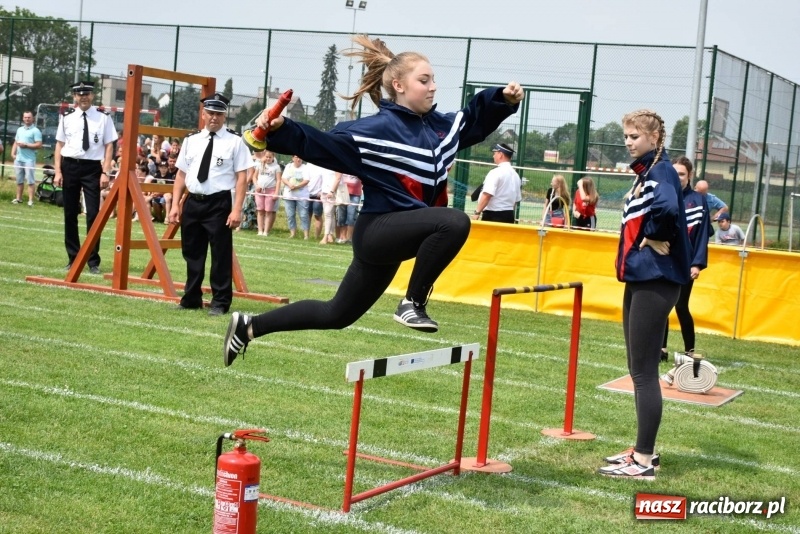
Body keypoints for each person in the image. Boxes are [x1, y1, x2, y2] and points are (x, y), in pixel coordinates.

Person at [223, 35, 522, 365]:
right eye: (424, 80)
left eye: (434, 79)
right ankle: (413, 303)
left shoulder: (442, 129)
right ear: (399, 85)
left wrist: (502, 100)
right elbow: (322, 143)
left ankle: (249, 326)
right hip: (377, 233)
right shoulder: (375, 129)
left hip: (400, 235)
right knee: (453, 221)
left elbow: (474, 119)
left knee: (336, 314)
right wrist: (280, 128)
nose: (433, 86)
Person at [598, 109, 690, 480]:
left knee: (643, 372)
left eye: (634, 136)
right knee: (639, 370)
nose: (628, 141)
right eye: (625, 136)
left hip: (656, 278)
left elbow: (668, 207)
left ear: (654, 138)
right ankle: (641, 449)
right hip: (641, 277)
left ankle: (644, 459)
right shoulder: (647, 172)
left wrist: (652, 235)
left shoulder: (661, 170)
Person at [167, 93, 253, 316]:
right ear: (203, 114)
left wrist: (237, 209)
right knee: (192, 252)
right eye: (210, 113)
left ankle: (220, 301)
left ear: (225, 116)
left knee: (220, 254)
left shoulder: (235, 142)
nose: (214, 117)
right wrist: (175, 204)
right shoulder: (191, 140)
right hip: (194, 201)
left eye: (218, 114)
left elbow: (242, 178)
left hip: (219, 203)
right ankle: (192, 296)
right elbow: (180, 175)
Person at [53, 81, 118, 274]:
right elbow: (59, 145)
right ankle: (73, 258)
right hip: (70, 166)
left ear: (92, 96)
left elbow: (109, 146)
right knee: (70, 213)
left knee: (93, 215)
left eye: (87, 93)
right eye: (79, 94)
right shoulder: (66, 118)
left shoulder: (103, 118)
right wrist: (58, 171)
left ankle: (92, 261)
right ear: (74, 96)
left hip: (92, 168)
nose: (83, 97)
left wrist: (105, 172)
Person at [661, 156, 711, 360]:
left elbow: (702, 235)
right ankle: (660, 349)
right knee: (662, 306)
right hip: (664, 260)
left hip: (685, 264)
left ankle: (690, 351)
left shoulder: (699, 201)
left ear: (689, 175)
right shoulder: (664, 195)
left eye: (681, 174)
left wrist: (697, 264)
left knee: (681, 305)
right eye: (674, 173)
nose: (678, 177)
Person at [472, 143, 521, 224]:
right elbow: (515, 201)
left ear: (500, 154)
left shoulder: (496, 172)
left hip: (493, 215)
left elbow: (487, 194)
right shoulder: (515, 175)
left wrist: (477, 213)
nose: (493, 156)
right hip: (509, 215)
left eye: (494, 153)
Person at [11, 110, 43, 207]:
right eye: (25, 117)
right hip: (18, 159)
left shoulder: (36, 131)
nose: (27, 119)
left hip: (29, 160)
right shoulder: (19, 129)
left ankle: (30, 201)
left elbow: (39, 144)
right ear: (23, 118)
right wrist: (13, 153)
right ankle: (18, 199)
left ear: (32, 118)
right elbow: (16, 142)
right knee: (19, 180)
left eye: (29, 117)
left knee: (30, 181)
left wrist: (26, 145)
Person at [251, 149, 282, 236]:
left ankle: (266, 231)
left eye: (270, 157)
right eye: (266, 157)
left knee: (268, 211)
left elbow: (278, 180)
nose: (268, 158)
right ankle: (260, 231)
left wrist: (276, 192)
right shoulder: (260, 165)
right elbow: (254, 176)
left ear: (273, 157)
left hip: (270, 190)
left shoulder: (276, 167)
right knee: (260, 210)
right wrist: (256, 185)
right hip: (260, 191)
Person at [281, 155, 310, 239]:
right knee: (290, 215)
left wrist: (297, 186)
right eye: (297, 157)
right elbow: (283, 178)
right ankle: (292, 233)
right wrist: (289, 184)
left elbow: (306, 180)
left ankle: (306, 235)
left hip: (302, 196)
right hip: (289, 195)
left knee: (303, 215)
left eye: (300, 157)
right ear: (293, 158)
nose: (299, 159)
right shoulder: (288, 166)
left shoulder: (305, 168)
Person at [336, 173, 362, 243]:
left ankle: (349, 238)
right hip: (343, 191)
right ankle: (343, 237)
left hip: (355, 193)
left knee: (351, 216)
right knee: (342, 215)